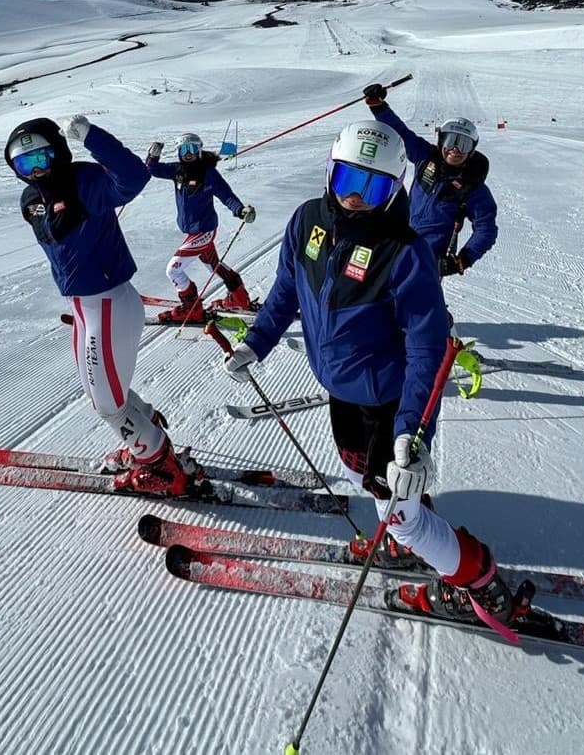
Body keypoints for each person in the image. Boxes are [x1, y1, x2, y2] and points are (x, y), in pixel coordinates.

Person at [221, 120, 517, 626]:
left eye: (373, 186)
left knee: (398, 509)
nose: (356, 198)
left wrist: (412, 434)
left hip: (392, 398)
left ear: (395, 185)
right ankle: (405, 518)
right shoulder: (306, 221)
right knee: (363, 473)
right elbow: (286, 291)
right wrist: (256, 343)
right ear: (330, 172)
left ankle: (482, 583)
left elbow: (427, 347)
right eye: (347, 181)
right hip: (341, 385)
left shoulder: (406, 252)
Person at [5, 115, 198, 495]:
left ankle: (159, 466)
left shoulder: (86, 181)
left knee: (108, 404)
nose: (37, 170)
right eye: (26, 164)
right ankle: (146, 440)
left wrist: (93, 137)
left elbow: (133, 178)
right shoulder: (31, 200)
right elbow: (55, 231)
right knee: (102, 395)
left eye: (43, 158)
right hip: (83, 307)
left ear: (59, 152)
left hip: (108, 304)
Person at [362, 84, 497, 277]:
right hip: (398, 240)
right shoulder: (425, 157)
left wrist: (463, 259)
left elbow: (486, 228)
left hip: (428, 256)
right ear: (441, 140)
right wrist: (378, 106)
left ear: (472, 150)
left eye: (464, 144)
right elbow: (401, 132)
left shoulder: (473, 186)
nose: (456, 149)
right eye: (451, 141)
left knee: (412, 301)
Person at [145, 131, 257, 323]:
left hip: (204, 231)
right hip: (193, 232)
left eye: (192, 149)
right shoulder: (177, 171)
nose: (188, 153)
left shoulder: (209, 173)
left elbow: (226, 195)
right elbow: (152, 169)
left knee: (173, 270)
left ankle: (192, 308)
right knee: (214, 266)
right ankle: (240, 299)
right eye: (184, 149)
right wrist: (152, 155)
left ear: (199, 150)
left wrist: (240, 210)